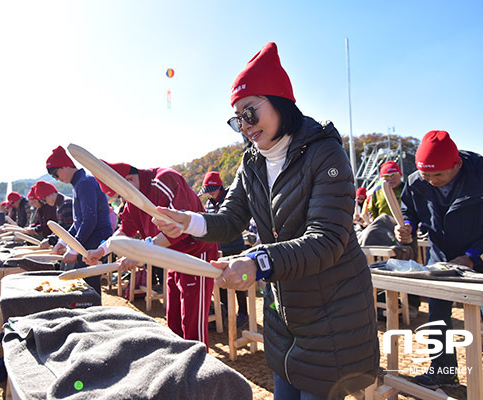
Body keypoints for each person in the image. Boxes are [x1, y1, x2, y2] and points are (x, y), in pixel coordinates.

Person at [153, 42, 379, 399]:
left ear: (280, 101)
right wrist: (188, 221)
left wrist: (258, 262)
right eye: (236, 119)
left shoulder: (325, 153)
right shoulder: (252, 163)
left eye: (249, 112)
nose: (244, 126)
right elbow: (230, 220)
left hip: (333, 311)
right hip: (283, 310)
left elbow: (327, 240)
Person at [85, 161, 219, 350]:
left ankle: (199, 369)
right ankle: (179, 363)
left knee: (192, 323)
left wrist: (141, 253)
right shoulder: (133, 198)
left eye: (121, 195)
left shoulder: (165, 180)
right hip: (172, 257)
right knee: (173, 319)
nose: (123, 201)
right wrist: (101, 250)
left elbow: (176, 228)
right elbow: (125, 231)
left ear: (129, 180)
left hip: (196, 254)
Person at [395, 130, 483, 389]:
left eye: (438, 175)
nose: (431, 181)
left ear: (456, 165)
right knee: (438, 316)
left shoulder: (480, 173)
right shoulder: (415, 181)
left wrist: (471, 257)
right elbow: (407, 209)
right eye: (425, 175)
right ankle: (443, 372)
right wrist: (406, 226)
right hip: (442, 254)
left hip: (478, 249)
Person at [45, 145, 113, 299]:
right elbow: (78, 223)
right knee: (85, 285)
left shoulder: (85, 183)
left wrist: (74, 250)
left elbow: (90, 220)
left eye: (56, 174)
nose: (57, 178)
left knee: (89, 286)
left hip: (95, 239)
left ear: (66, 166)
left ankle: (94, 315)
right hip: (89, 239)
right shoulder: (79, 183)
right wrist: (63, 242)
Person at [198, 171, 249, 328]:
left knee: (238, 281)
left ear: (219, 188)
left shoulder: (230, 198)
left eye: (212, 191)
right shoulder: (208, 203)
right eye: (208, 192)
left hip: (234, 246)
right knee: (221, 282)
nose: (210, 195)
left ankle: (243, 313)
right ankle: (226, 311)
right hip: (219, 248)